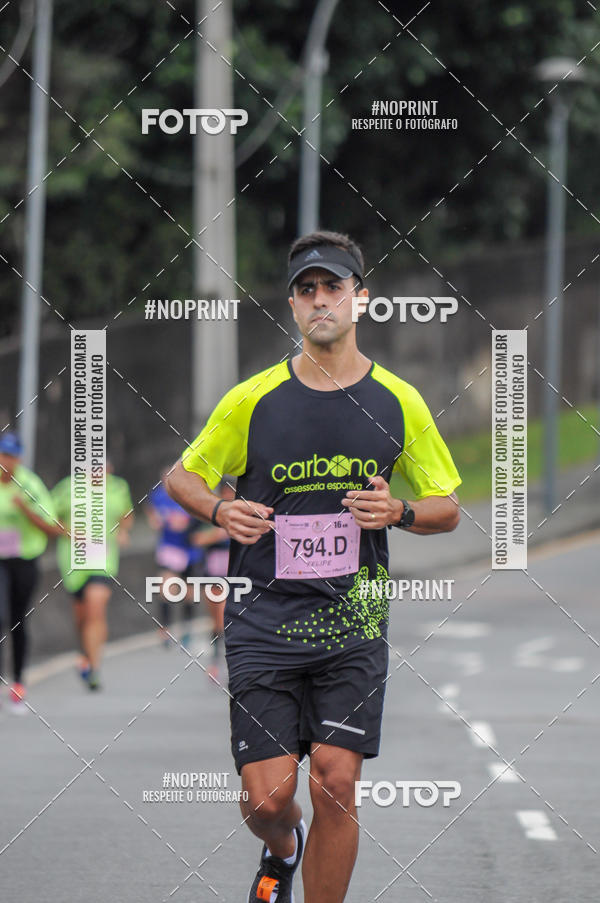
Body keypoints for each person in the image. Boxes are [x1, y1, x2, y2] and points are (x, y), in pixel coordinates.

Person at [166, 230, 461, 903]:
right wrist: (219, 510)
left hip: (352, 621)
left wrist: (401, 512)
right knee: (269, 796)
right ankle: (282, 844)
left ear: (362, 297)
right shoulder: (253, 398)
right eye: (307, 289)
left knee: (335, 777)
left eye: (333, 286)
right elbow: (182, 476)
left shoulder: (399, 401)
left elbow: (447, 505)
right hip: (263, 618)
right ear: (293, 306)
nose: (320, 299)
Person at [52, 460, 133, 690]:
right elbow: (50, 517)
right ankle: (85, 653)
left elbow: (127, 515)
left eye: (105, 468)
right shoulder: (68, 488)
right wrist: (68, 531)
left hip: (103, 560)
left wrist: (124, 531)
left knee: (96, 606)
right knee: (81, 617)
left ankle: (94, 666)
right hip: (73, 562)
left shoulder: (118, 487)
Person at [0, 433, 63, 713]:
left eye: (11, 456)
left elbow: (52, 527)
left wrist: (24, 510)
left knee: (17, 620)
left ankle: (18, 682)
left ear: (19, 459)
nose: (5, 461)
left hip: (24, 559)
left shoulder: (29, 484)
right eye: (2, 455)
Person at [146, 469, 200, 650]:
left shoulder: (189, 494)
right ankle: (165, 630)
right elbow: (152, 513)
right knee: (166, 588)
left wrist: (187, 523)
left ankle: (187, 629)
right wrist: (156, 520)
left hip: (190, 549)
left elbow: (197, 517)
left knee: (188, 593)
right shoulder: (159, 495)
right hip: (169, 549)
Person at [189, 477, 235, 681]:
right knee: (218, 620)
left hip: (241, 574)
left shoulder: (248, 512)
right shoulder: (210, 513)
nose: (228, 496)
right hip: (215, 573)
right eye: (225, 492)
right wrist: (219, 533)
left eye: (232, 492)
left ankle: (237, 663)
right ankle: (216, 663)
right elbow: (196, 539)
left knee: (236, 620)